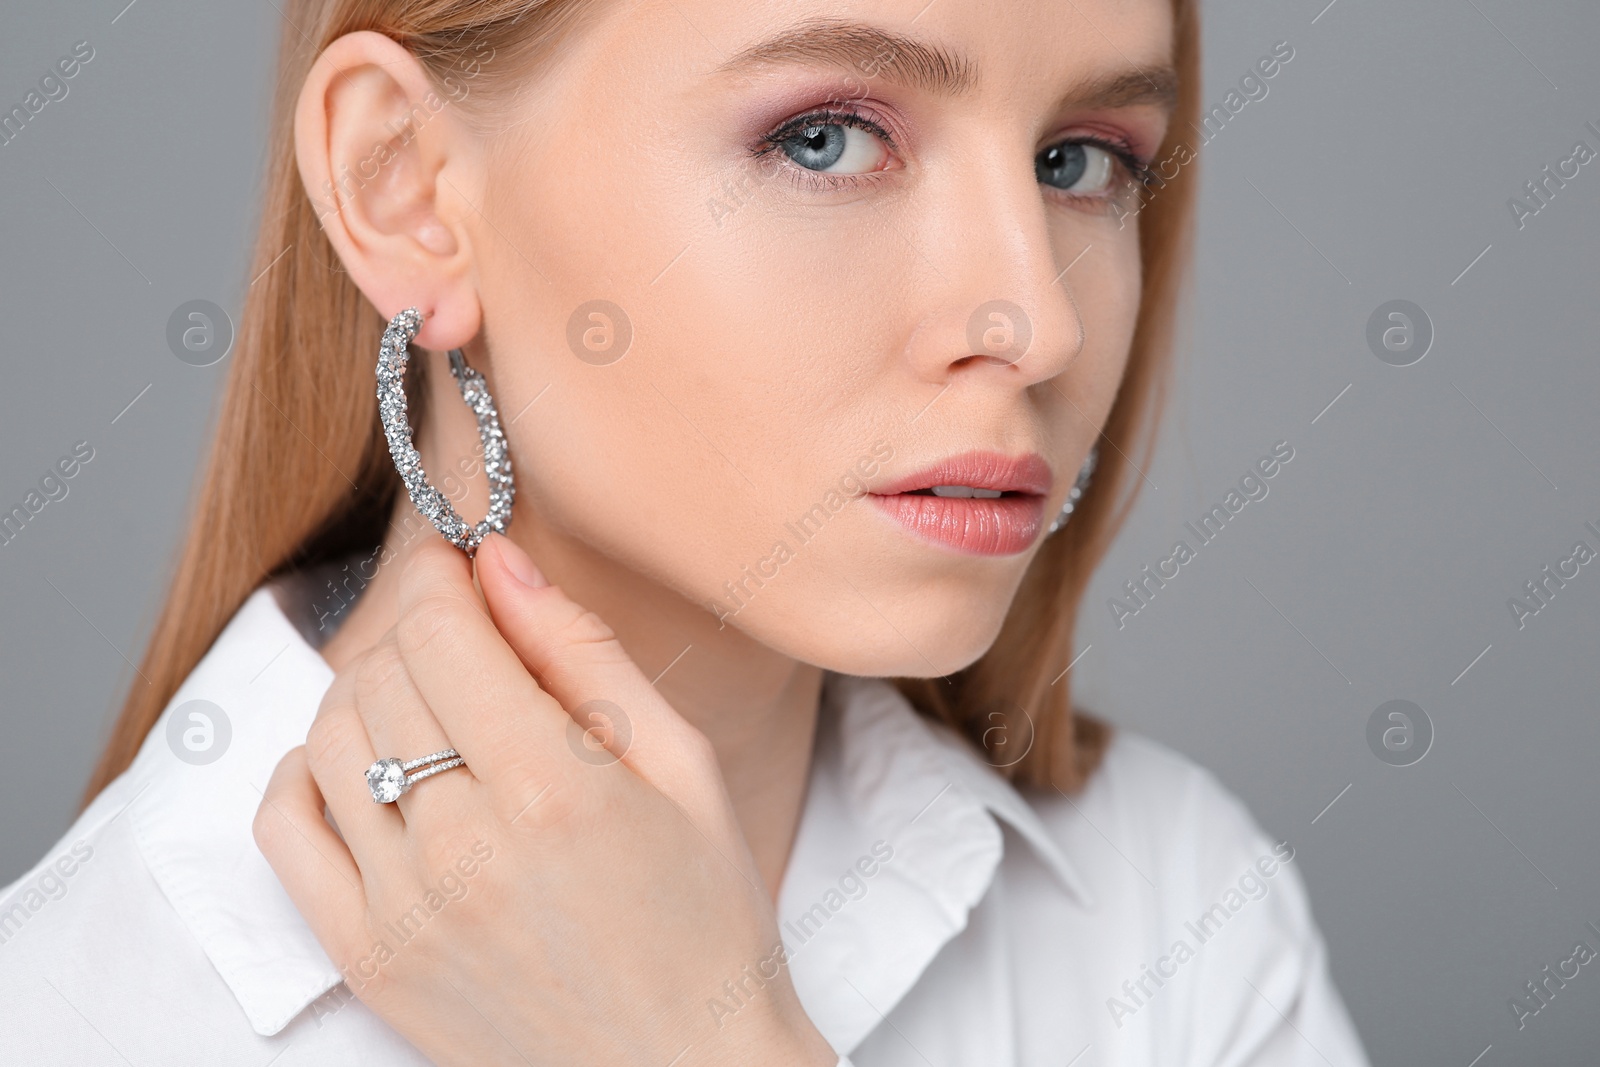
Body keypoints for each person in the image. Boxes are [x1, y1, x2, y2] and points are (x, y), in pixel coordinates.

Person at [0, 0, 1370, 1063]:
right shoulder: (77, 1020)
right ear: (403, 185)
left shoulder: (1172, 915)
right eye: (825, 137)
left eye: (1080, 161)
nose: (1035, 323)